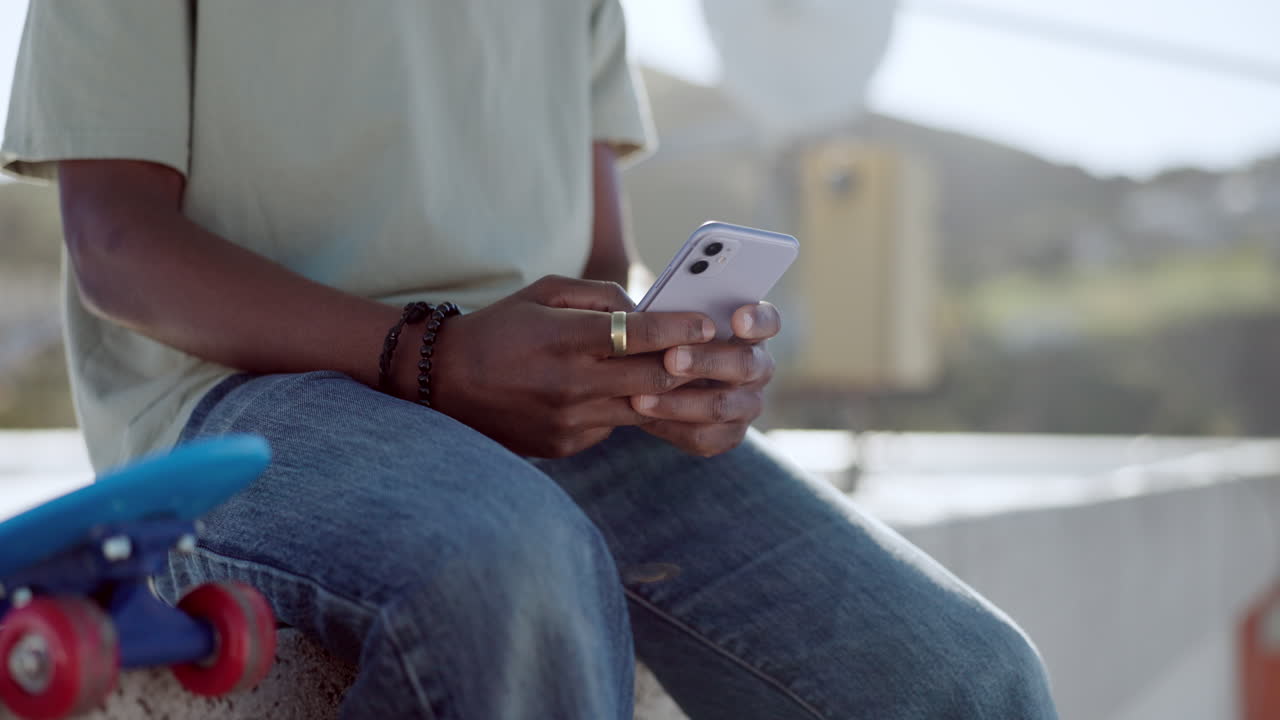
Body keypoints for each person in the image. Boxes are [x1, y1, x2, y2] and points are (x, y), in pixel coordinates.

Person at [2, 2, 1058, 718]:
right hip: (245, 406)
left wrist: (658, 355)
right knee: (508, 564)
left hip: (550, 401)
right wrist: (436, 356)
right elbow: (118, 247)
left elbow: (598, 255)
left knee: (965, 680)